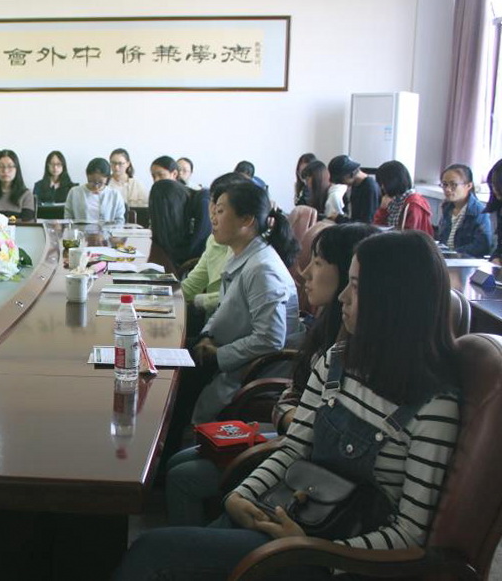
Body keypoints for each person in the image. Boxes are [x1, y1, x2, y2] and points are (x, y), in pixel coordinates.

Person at [117, 231, 460, 581]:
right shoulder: (338, 361)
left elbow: (409, 536)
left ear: (393, 301)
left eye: (356, 287)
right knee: (184, 541)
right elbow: (294, 448)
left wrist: (314, 550)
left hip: (337, 558)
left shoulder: (434, 408)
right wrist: (242, 495)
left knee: (152, 554)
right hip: (295, 515)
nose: (343, 296)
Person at [166, 223, 380, 527]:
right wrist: (295, 419)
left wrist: (303, 426)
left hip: (310, 471)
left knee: (182, 475)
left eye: (318, 263)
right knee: (178, 461)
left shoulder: (352, 353)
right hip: (294, 444)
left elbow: (321, 440)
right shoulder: (328, 332)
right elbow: (294, 399)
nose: (304, 272)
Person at [163, 181, 300, 462]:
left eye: (221, 211)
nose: (213, 217)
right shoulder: (243, 254)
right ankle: (167, 457)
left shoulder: (263, 268)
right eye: (214, 209)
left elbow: (271, 339)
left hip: (252, 367)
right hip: (227, 348)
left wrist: (218, 353)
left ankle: (168, 464)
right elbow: (224, 307)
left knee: (171, 381)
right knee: (163, 360)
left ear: (247, 220)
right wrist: (207, 336)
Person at [180, 175, 240, 338]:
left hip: (233, 333)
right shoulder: (214, 239)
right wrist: (159, 297)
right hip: (213, 325)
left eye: (221, 208)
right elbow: (193, 283)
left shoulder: (248, 250)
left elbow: (235, 299)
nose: (213, 212)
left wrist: (199, 301)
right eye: (213, 202)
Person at [435, 163, 492, 257]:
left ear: (468, 186)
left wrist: (451, 254)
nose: (448, 189)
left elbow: (482, 246)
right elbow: (442, 240)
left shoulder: (479, 211)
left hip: (466, 261)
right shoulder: (447, 207)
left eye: (453, 184)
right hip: (446, 259)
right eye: (445, 184)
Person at [147, 156, 191, 265]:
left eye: (160, 175)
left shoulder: (183, 195)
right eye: (153, 176)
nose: (156, 180)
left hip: (177, 256)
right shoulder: (159, 193)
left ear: (174, 174)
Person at [372, 160, 433, 234]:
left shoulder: (413, 203)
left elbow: (410, 235)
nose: (382, 187)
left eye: (383, 183)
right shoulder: (393, 200)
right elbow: (377, 230)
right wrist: (383, 210)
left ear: (393, 182)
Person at [0, 149, 36, 220]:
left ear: (16, 169)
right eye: (1, 166)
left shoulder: (26, 195)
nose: (5, 171)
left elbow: (28, 223)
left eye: (10, 166)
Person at [63, 158, 125, 225]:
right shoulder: (75, 192)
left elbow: (120, 221)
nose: (96, 186)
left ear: (107, 178)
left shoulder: (115, 195)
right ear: (87, 176)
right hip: (80, 231)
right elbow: (68, 218)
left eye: (100, 182)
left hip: (108, 231)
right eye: (92, 181)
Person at [329, 154, 381, 224]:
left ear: (351, 174)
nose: (341, 183)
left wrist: (339, 218)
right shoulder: (355, 185)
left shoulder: (369, 188)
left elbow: (366, 223)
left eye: (341, 180)